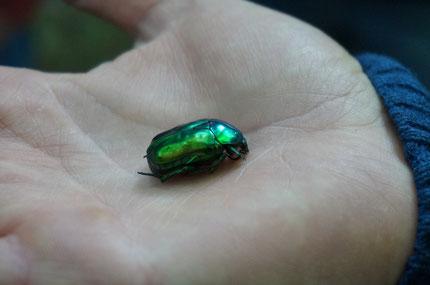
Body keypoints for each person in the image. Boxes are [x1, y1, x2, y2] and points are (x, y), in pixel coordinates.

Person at [0, 0, 427, 284]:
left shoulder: (217, 131)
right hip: (162, 159)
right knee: (190, 159)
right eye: (237, 149)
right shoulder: (216, 140)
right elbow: (200, 161)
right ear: (229, 142)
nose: (238, 154)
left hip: (162, 152)